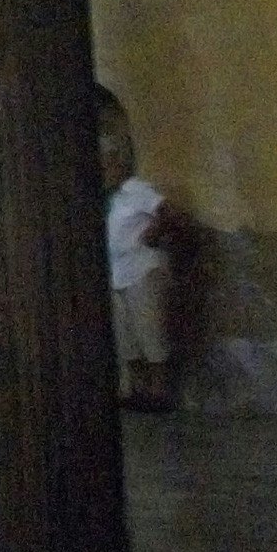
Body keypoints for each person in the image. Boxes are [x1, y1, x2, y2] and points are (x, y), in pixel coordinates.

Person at [98, 89, 183, 413]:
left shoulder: (136, 190)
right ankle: (138, 389)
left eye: (108, 165)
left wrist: (153, 234)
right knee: (126, 336)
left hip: (141, 270)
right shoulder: (108, 199)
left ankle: (159, 392)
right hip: (117, 274)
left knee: (150, 332)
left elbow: (170, 214)